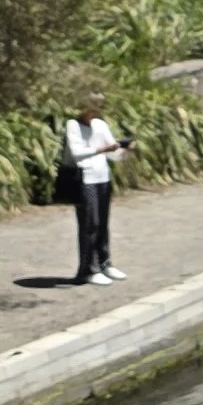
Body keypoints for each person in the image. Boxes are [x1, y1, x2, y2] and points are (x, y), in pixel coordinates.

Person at [62, 109, 129, 283]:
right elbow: (77, 153)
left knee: (103, 223)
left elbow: (112, 153)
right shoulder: (73, 125)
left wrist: (124, 151)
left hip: (102, 178)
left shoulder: (100, 124)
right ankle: (88, 270)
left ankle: (105, 264)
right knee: (90, 223)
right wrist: (102, 149)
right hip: (85, 179)